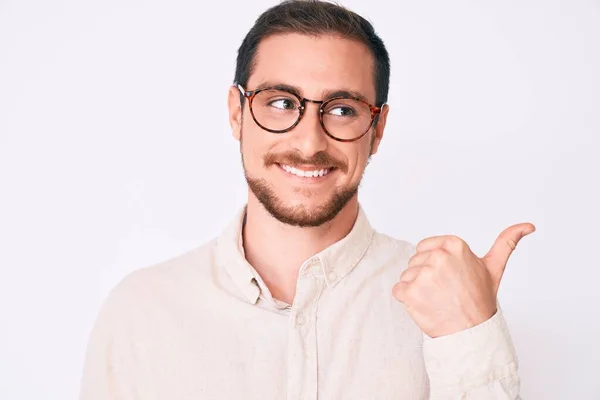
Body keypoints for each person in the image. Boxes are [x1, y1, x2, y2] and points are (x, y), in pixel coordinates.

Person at [79, 0, 535, 398]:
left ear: (377, 131)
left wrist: (471, 337)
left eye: (341, 110)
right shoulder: (141, 313)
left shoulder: (446, 303)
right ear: (237, 114)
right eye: (280, 102)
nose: (309, 142)